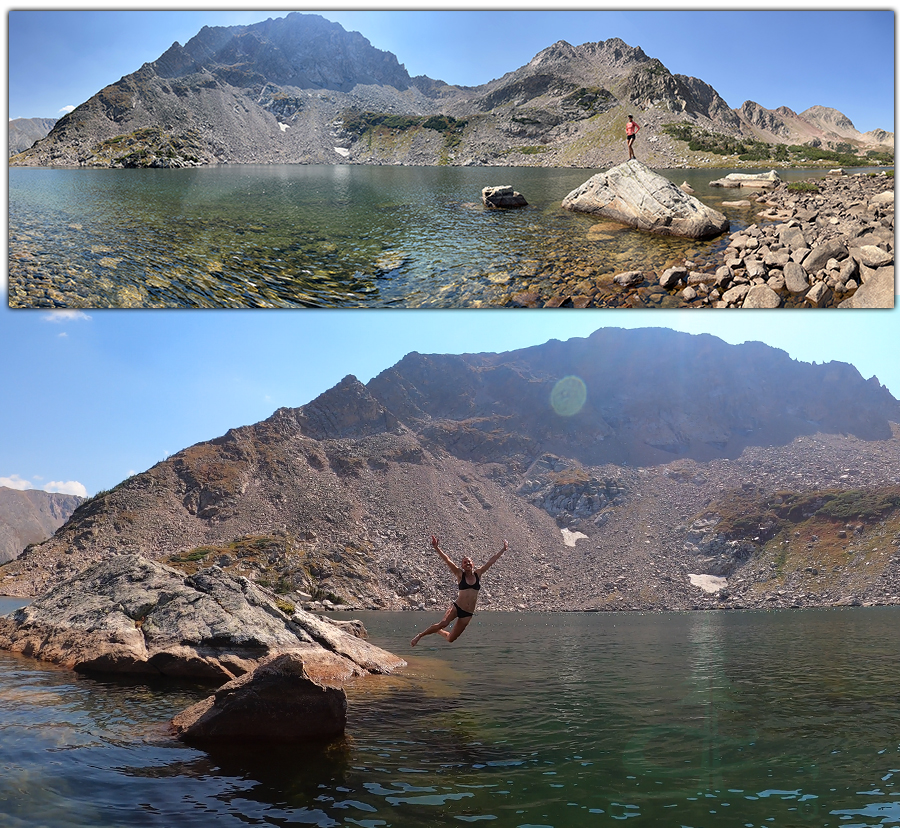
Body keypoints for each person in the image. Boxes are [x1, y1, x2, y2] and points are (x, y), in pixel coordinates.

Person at [410, 535, 508, 646]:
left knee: (451, 639)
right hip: (457, 607)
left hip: (468, 613)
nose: (467, 563)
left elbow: (491, 561)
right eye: (465, 562)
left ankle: (437, 631)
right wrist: (436, 548)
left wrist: (503, 549)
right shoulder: (459, 575)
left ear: (473, 564)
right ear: (462, 565)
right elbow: (447, 560)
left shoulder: (478, 574)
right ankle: (420, 636)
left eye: (469, 562)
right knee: (444, 623)